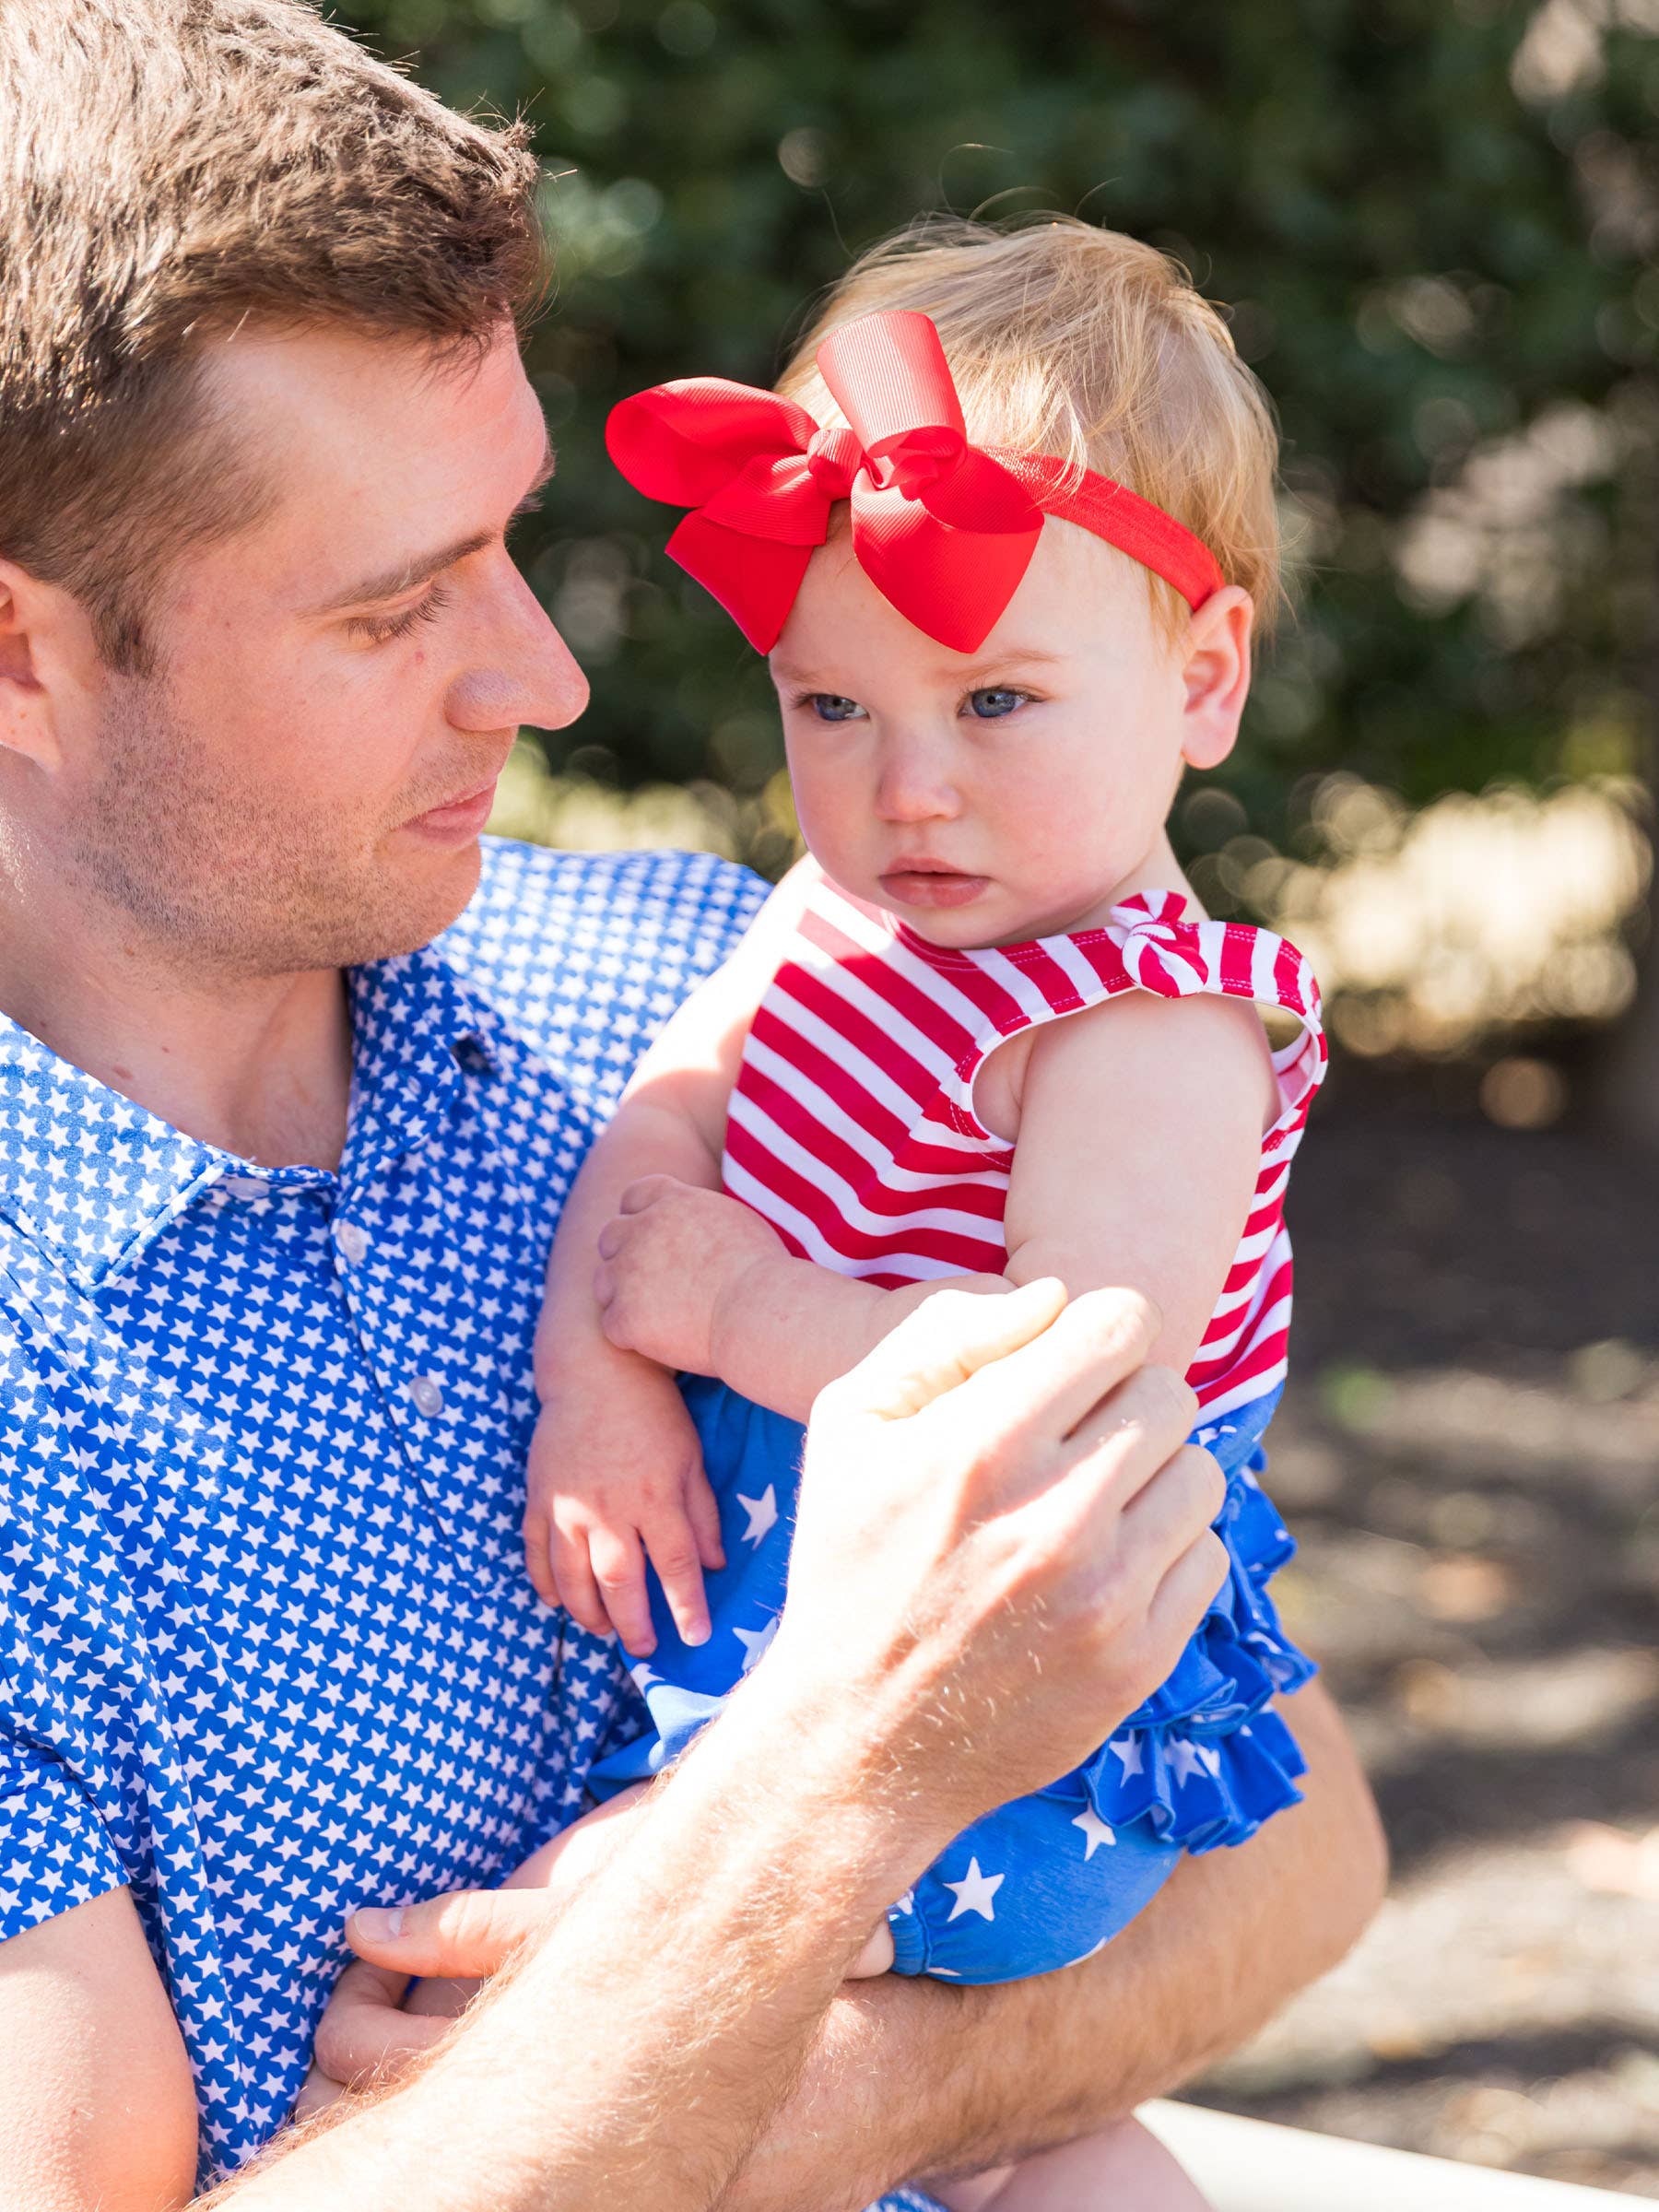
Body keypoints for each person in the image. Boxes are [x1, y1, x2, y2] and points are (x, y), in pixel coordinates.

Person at [0, 5, 1386, 2207]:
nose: (544, 678)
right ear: (25, 654)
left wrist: (800, 2078)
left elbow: (1296, 1850)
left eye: (511, 543)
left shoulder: (707, 975)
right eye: (392, 612)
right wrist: (821, 1818)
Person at [478, 226, 1318, 2212]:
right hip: (806, 1600)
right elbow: (663, 1120)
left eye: (997, 703)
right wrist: (597, 1381)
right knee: (1024, 2157)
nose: (905, 789)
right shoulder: (835, 909)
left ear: (1202, 679)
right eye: (832, 709)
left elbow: (1039, 1404)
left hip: (1007, 1687)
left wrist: (736, 1307)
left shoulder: (1145, 1024)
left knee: (638, 2003)